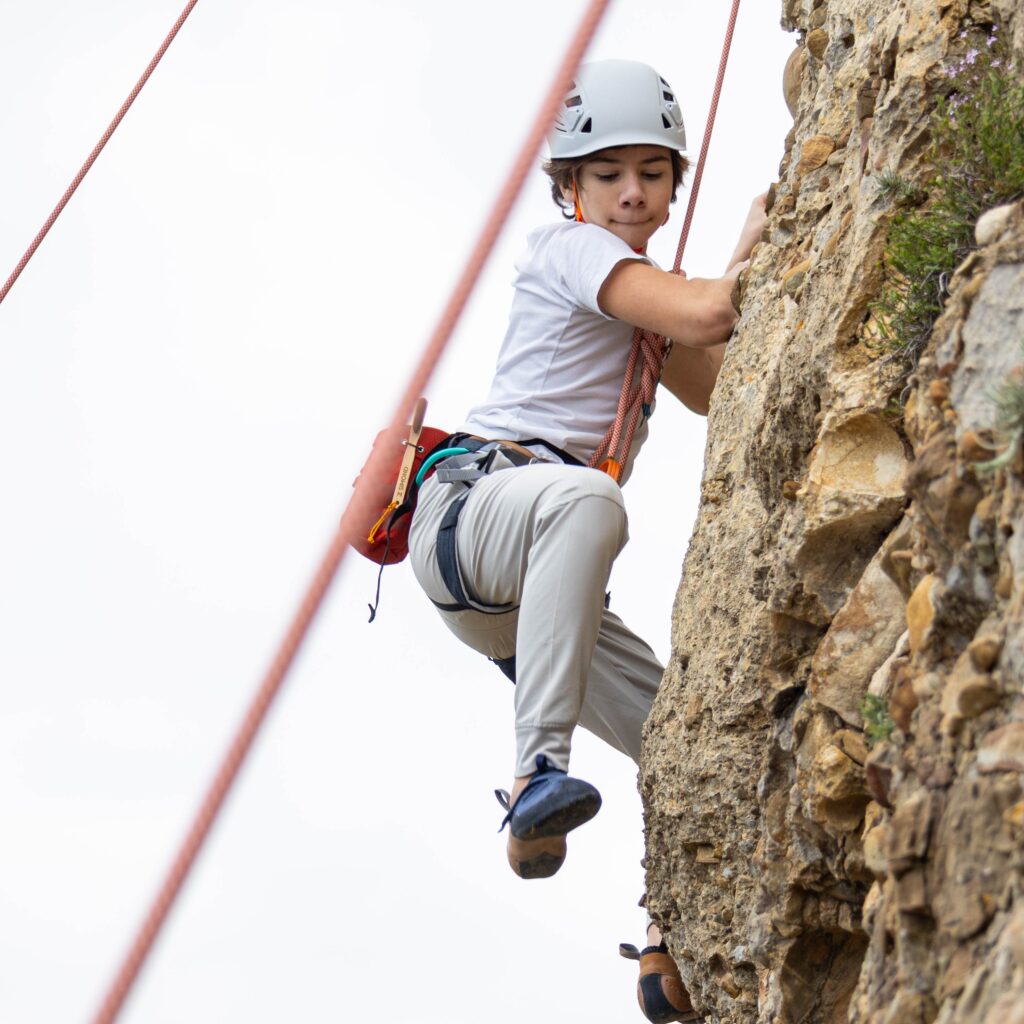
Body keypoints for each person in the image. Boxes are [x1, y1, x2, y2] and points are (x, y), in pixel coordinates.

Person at [407, 59, 765, 1024]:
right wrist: (760, 246)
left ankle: (666, 942)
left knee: (697, 747)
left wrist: (734, 271)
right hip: (480, 511)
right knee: (588, 504)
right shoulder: (567, 250)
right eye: (609, 174)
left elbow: (727, 383)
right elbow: (709, 310)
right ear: (571, 187)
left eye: (653, 171)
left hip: (531, 595)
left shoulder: (641, 305)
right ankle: (536, 777)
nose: (634, 191)